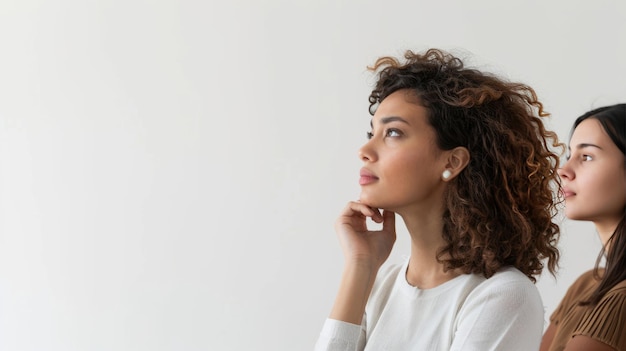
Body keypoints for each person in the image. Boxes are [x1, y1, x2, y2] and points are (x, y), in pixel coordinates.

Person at [314, 48, 563, 351]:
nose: (365, 150)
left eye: (392, 132)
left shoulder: (502, 296)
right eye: (372, 132)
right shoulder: (384, 284)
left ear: (452, 162)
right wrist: (360, 265)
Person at [540, 104, 626, 351]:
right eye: (569, 156)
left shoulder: (621, 298)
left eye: (586, 156)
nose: (563, 171)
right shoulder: (585, 285)